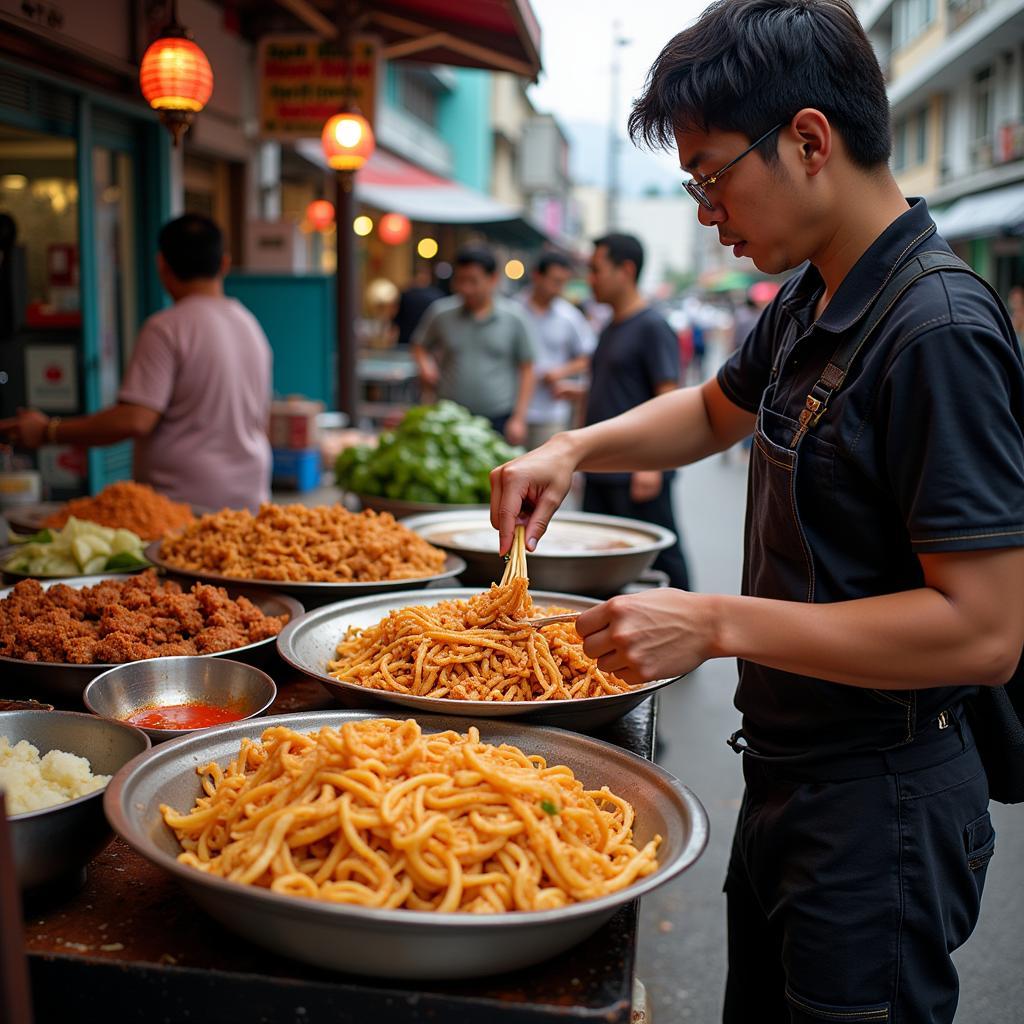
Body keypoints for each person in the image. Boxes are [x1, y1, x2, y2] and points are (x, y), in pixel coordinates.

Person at [489, 2, 1024, 1021]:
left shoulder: (937, 330)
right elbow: (707, 410)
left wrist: (717, 622)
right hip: (791, 778)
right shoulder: (811, 299)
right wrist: (574, 445)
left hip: (884, 804)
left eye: (710, 175)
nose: (703, 210)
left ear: (809, 141)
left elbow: (986, 629)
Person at [1, 214, 272, 509]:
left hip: (185, 505)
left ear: (161, 265)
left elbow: (135, 420)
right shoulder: (249, 324)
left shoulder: (167, 328)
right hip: (250, 495)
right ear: (224, 264)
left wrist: (47, 431)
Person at [582, 232, 691, 590]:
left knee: (662, 561)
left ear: (626, 270)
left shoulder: (652, 327)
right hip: (602, 469)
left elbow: (668, 396)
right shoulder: (611, 326)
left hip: (636, 473)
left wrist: (652, 465)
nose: (590, 279)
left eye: (597, 270)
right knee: (601, 565)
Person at [412, 245, 537, 445]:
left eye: (473, 281)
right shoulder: (441, 313)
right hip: (449, 416)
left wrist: (519, 418)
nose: (466, 288)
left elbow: (527, 369)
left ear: (493, 279)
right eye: (460, 280)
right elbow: (419, 345)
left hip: (498, 417)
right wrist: (425, 365)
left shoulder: (514, 317)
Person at [518, 252, 596, 449]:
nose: (558, 288)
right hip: (512, 407)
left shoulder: (569, 317)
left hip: (551, 412)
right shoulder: (514, 310)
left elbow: (588, 356)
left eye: (563, 283)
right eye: (555, 281)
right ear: (537, 276)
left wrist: (561, 372)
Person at [393, 262, 443, 346]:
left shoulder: (406, 294)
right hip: (428, 344)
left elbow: (397, 319)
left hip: (406, 340)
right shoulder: (438, 296)